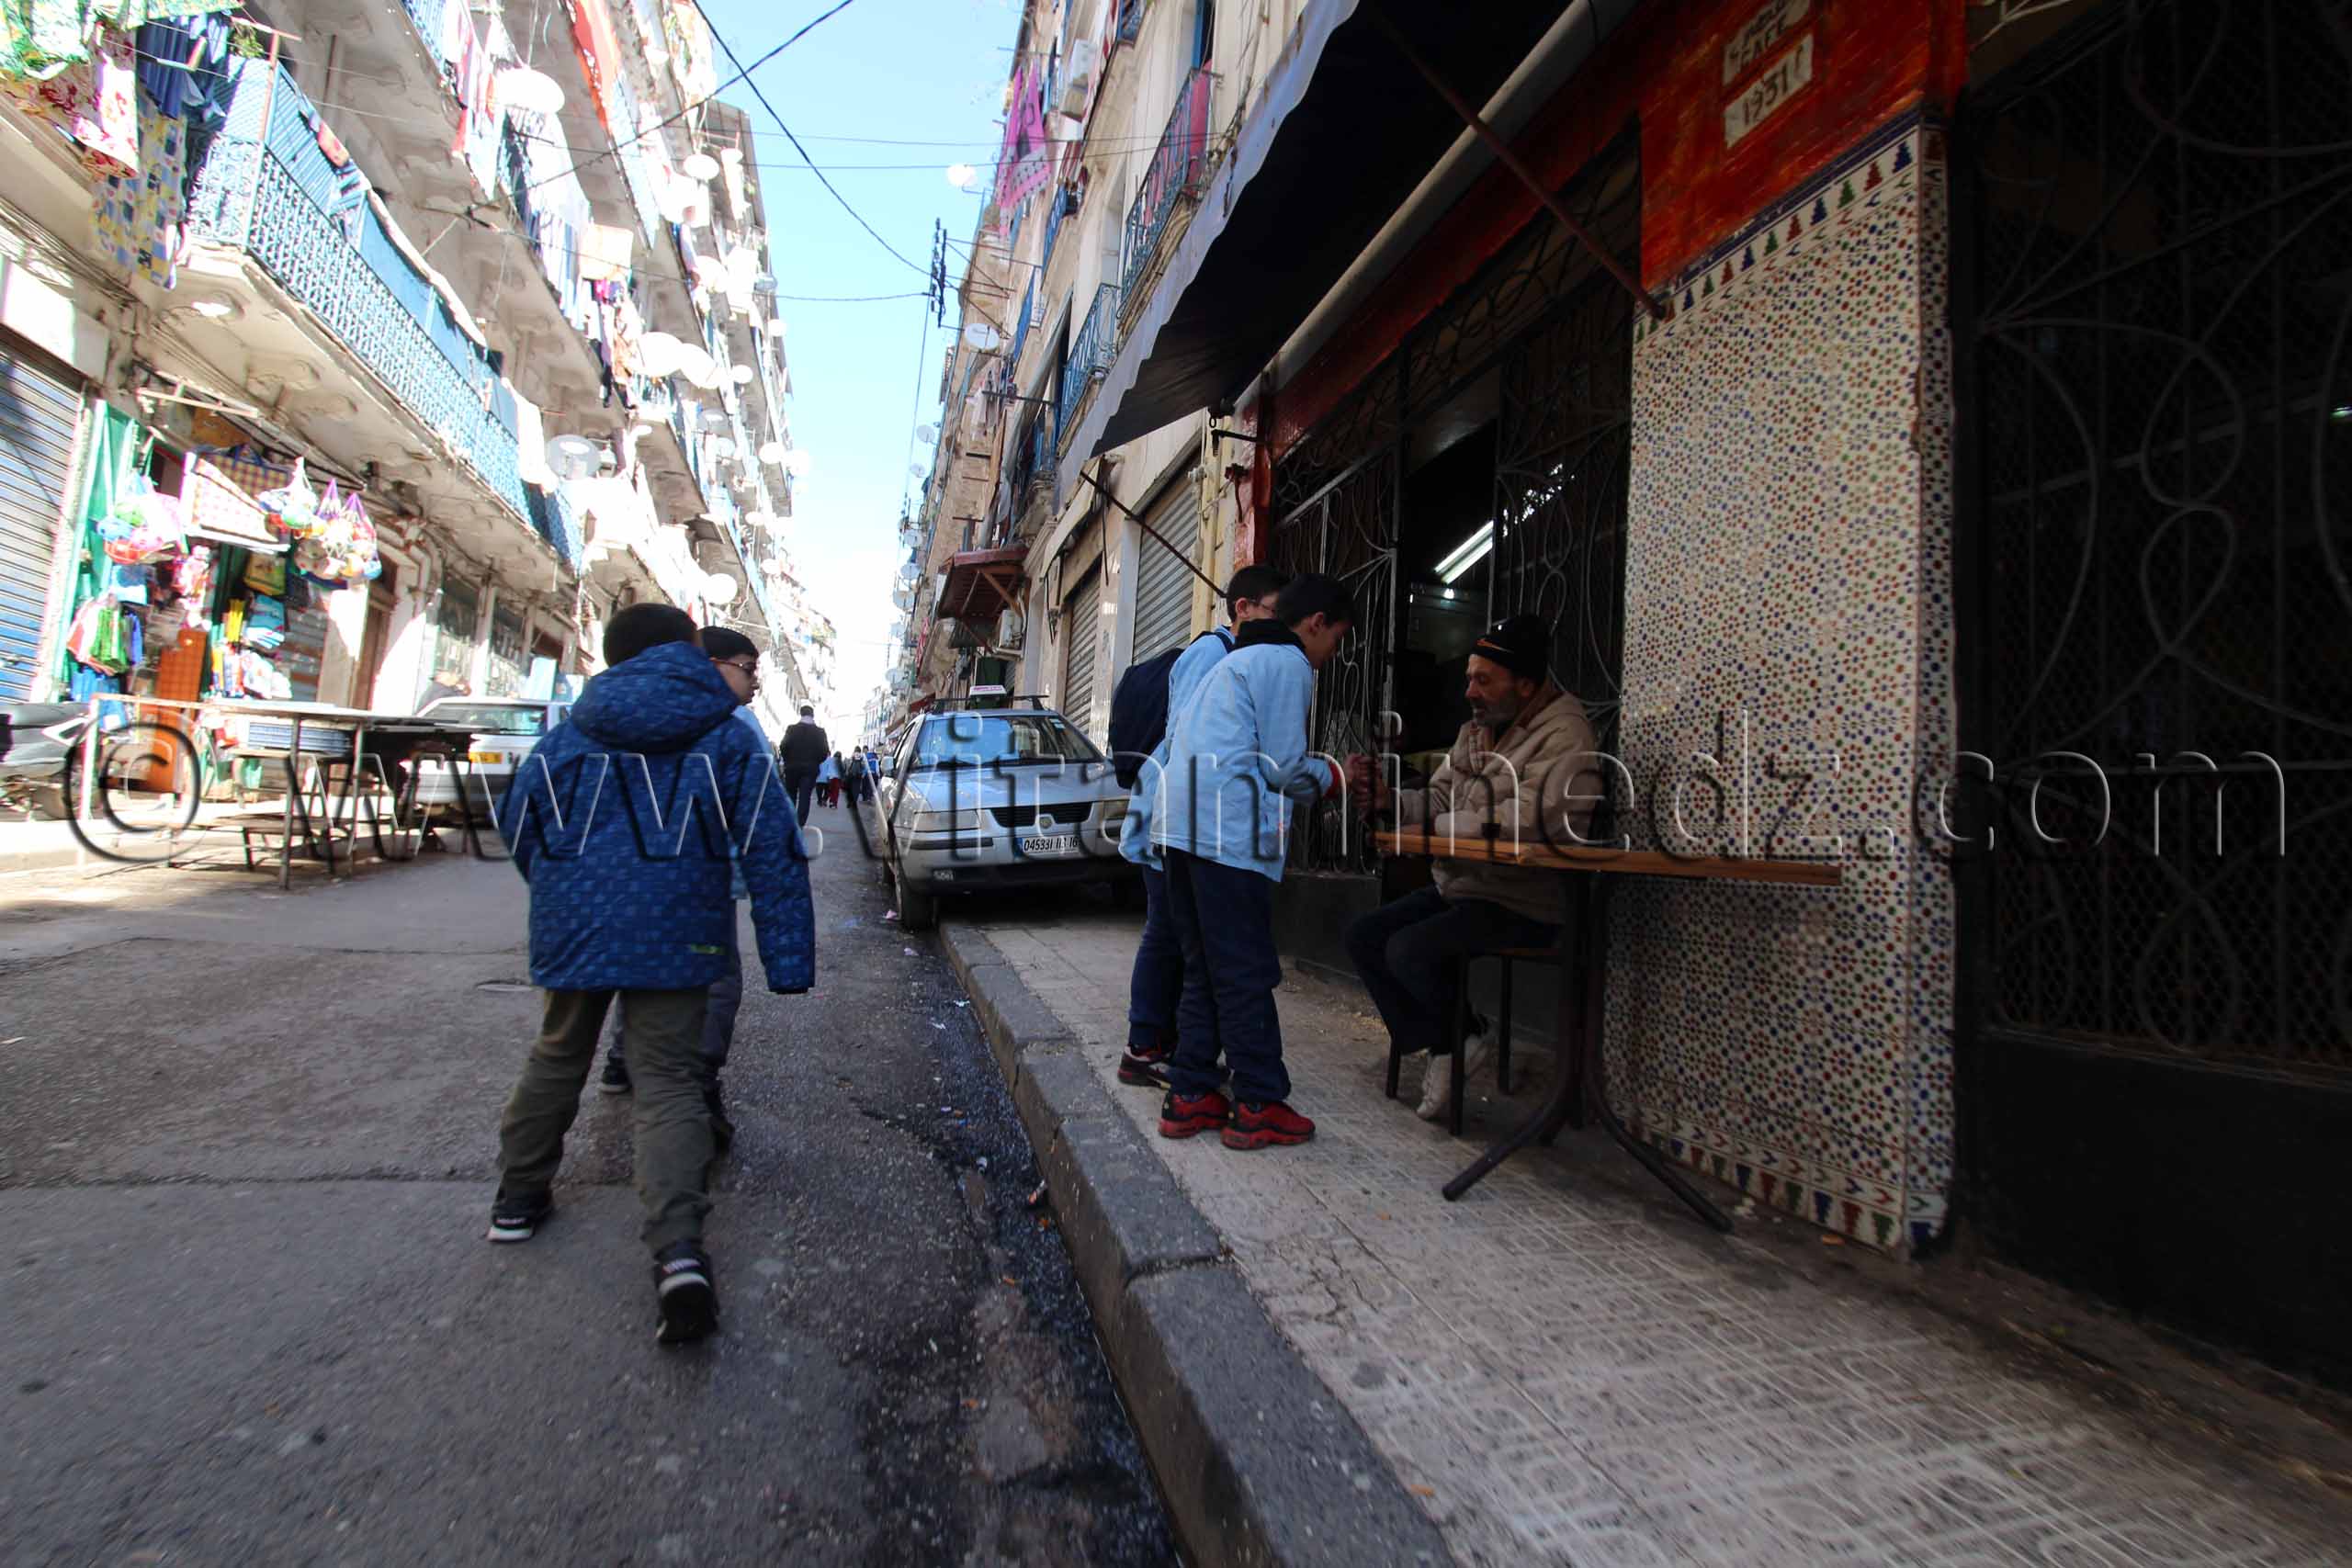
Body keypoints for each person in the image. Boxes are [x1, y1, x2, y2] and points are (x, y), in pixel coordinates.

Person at [487, 604, 814, 1347]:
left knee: (559, 1052)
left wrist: (561, 885)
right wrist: (787, 961)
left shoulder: (571, 730)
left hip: (577, 922)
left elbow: (519, 819)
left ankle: (516, 1198)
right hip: (680, 927)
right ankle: (678, 1256)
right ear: (690, 650)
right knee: (666, 1078)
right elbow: (773, 848)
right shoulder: (727, 733)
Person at [1342, 614, 1600, 1122]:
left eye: (1484, 680)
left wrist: (1445, 829)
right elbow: (1438, 795)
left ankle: (1454, 1041)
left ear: (1525, 685)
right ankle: (1453, 1041)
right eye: (1469, 678)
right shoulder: (1474, 733)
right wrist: (1392, 802)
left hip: (1524, 898)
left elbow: (1533, 816)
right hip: (1463, 886)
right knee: (1364, 937)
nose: (1470, 692)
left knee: (1410, 949)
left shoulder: (1567, 733)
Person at [1150, 573, 1354, 1152]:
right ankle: (1260, 1101)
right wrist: (1337, 775)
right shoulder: (1286, 662)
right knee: (1244, 971)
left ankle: (1191, 1093)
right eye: (1334, 640)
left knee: (1204, 969)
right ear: (1315, 623)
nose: (1328, 657)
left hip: (1180, 828)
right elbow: (1284, 769)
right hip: (1225, 833)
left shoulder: (1231, 659)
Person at [1114, 564, 1290, 1089]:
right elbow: (1184, 738)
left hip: (1183, 820)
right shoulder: (1212, 654)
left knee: (1174, 933)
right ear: (1244, 609)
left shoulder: (1233, 658)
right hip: (1176, 821)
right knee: (1168, 932)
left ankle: (1157, 1042)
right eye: (1274, 612)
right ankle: (1144, 1045)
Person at [597, 626, 772, 1149]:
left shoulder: (623, 706)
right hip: (700, 882)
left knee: (642, 967)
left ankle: (619, 1061)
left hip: (630, 877)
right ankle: (696, 1084)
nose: (755, 681)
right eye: (747, 667)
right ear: (712, 663)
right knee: (714, 980)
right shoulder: (732, 722)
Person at [779, 704, 829, 824]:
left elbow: (783, 746)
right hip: (810, 769)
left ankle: (789, 822)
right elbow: (824, 751)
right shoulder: (820, 732)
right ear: (813, 715)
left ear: (801, 714)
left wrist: (788, 761)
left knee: (791, 794)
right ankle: (799, 824)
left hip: (792, 768)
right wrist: (816, 761)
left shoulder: (791, 729)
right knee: (805, 797)